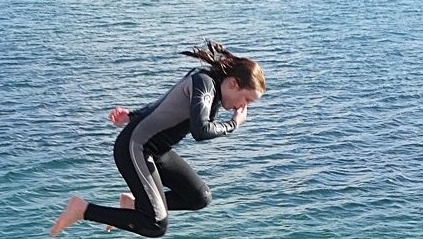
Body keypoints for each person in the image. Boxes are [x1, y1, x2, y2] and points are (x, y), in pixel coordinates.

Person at [50, 40, 266, 237]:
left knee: (199, 197)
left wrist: (132, 115)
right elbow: (200, 131)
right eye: (247, 99)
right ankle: (82, 209)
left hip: (157, 150)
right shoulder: (205, 83)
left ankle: (134, 203)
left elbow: (165, 104)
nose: (243, 107)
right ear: (233, 84)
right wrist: (234, 124)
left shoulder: (213, 92)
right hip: (135, 147)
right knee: (156, 225)